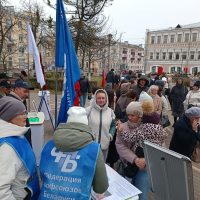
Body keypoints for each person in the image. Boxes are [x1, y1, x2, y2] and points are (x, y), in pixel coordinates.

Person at [39, 106, 108, 199]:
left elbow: (42, 174)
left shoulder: (49, 145)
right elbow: (100, 187)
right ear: (85, 123)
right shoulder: (94, 149)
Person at [117, 101, 167, 200]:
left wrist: (148, 160)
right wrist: (136, 159)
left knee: (141, 194)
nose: (129, 117)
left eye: (133, 115)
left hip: (145, 168)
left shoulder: (143, 128)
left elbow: (162, 149)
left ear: (141, 116)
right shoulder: (124, 126)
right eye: (128, 115)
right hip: (129, 163)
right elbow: (120, 145)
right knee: (127, 193)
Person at [0, 96, 40, 199]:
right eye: (22, 113)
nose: (26, 116)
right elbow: (1, 189)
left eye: (26, 113)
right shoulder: (7, 147)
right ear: (9, 116)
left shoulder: (17, 133)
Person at [86, 89, 116, 160]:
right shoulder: (88, 110)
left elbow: (113, 125)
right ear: (95, 99)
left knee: (102, 165)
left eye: (103, 98)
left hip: (104, 145)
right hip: (90, 144)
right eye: (99, 98)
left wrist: (111, 135)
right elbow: (83, 125)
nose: (101, 100)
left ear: (106, 99)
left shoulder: (110, 112)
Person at [8, 80, 34, 145]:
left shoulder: (14, 100)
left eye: (28, 92)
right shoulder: (13, 103)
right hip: (19, 140)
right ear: (16, 89)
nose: (27, 95)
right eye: (25, 91)